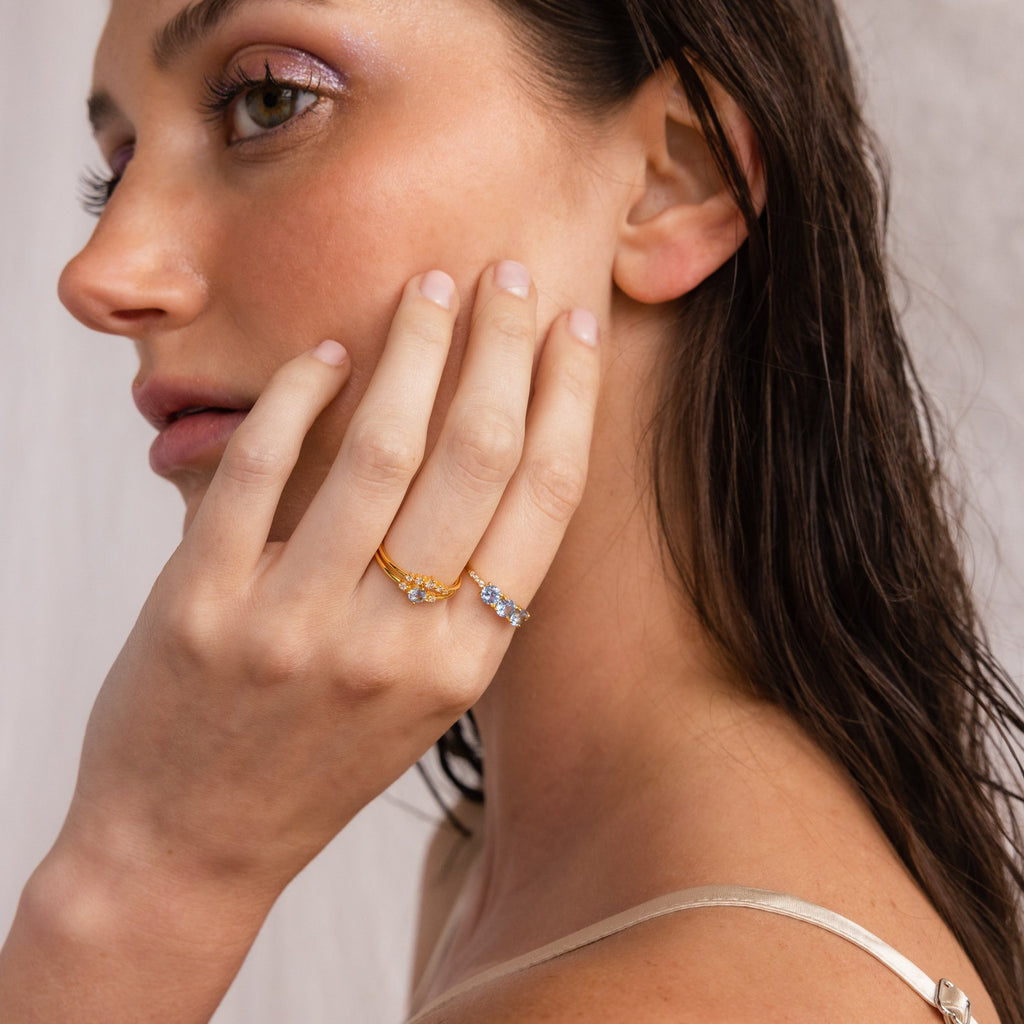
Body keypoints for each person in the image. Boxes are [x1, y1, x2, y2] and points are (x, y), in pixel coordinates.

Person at [0, 0, 1021, 1021]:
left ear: (676, 175)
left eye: (270, 99)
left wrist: (137, 887)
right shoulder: (499, 859)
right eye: (119, 163)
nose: (102, 273)